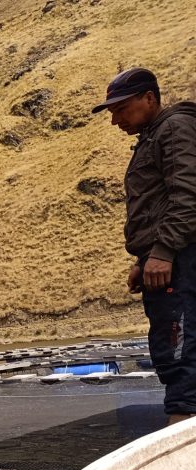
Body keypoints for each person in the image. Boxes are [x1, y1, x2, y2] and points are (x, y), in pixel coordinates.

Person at [93, 68, 196, 424]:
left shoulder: (174, 129)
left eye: (121, 109)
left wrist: (163, 252)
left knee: (180, 351)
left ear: (149, 98)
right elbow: (161, 204)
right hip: (171, 259)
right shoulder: (156, 134)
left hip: (181, 262)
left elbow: (188, 197)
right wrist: (145, 259)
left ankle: (182, 439)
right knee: (174, 348)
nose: (115, 120)